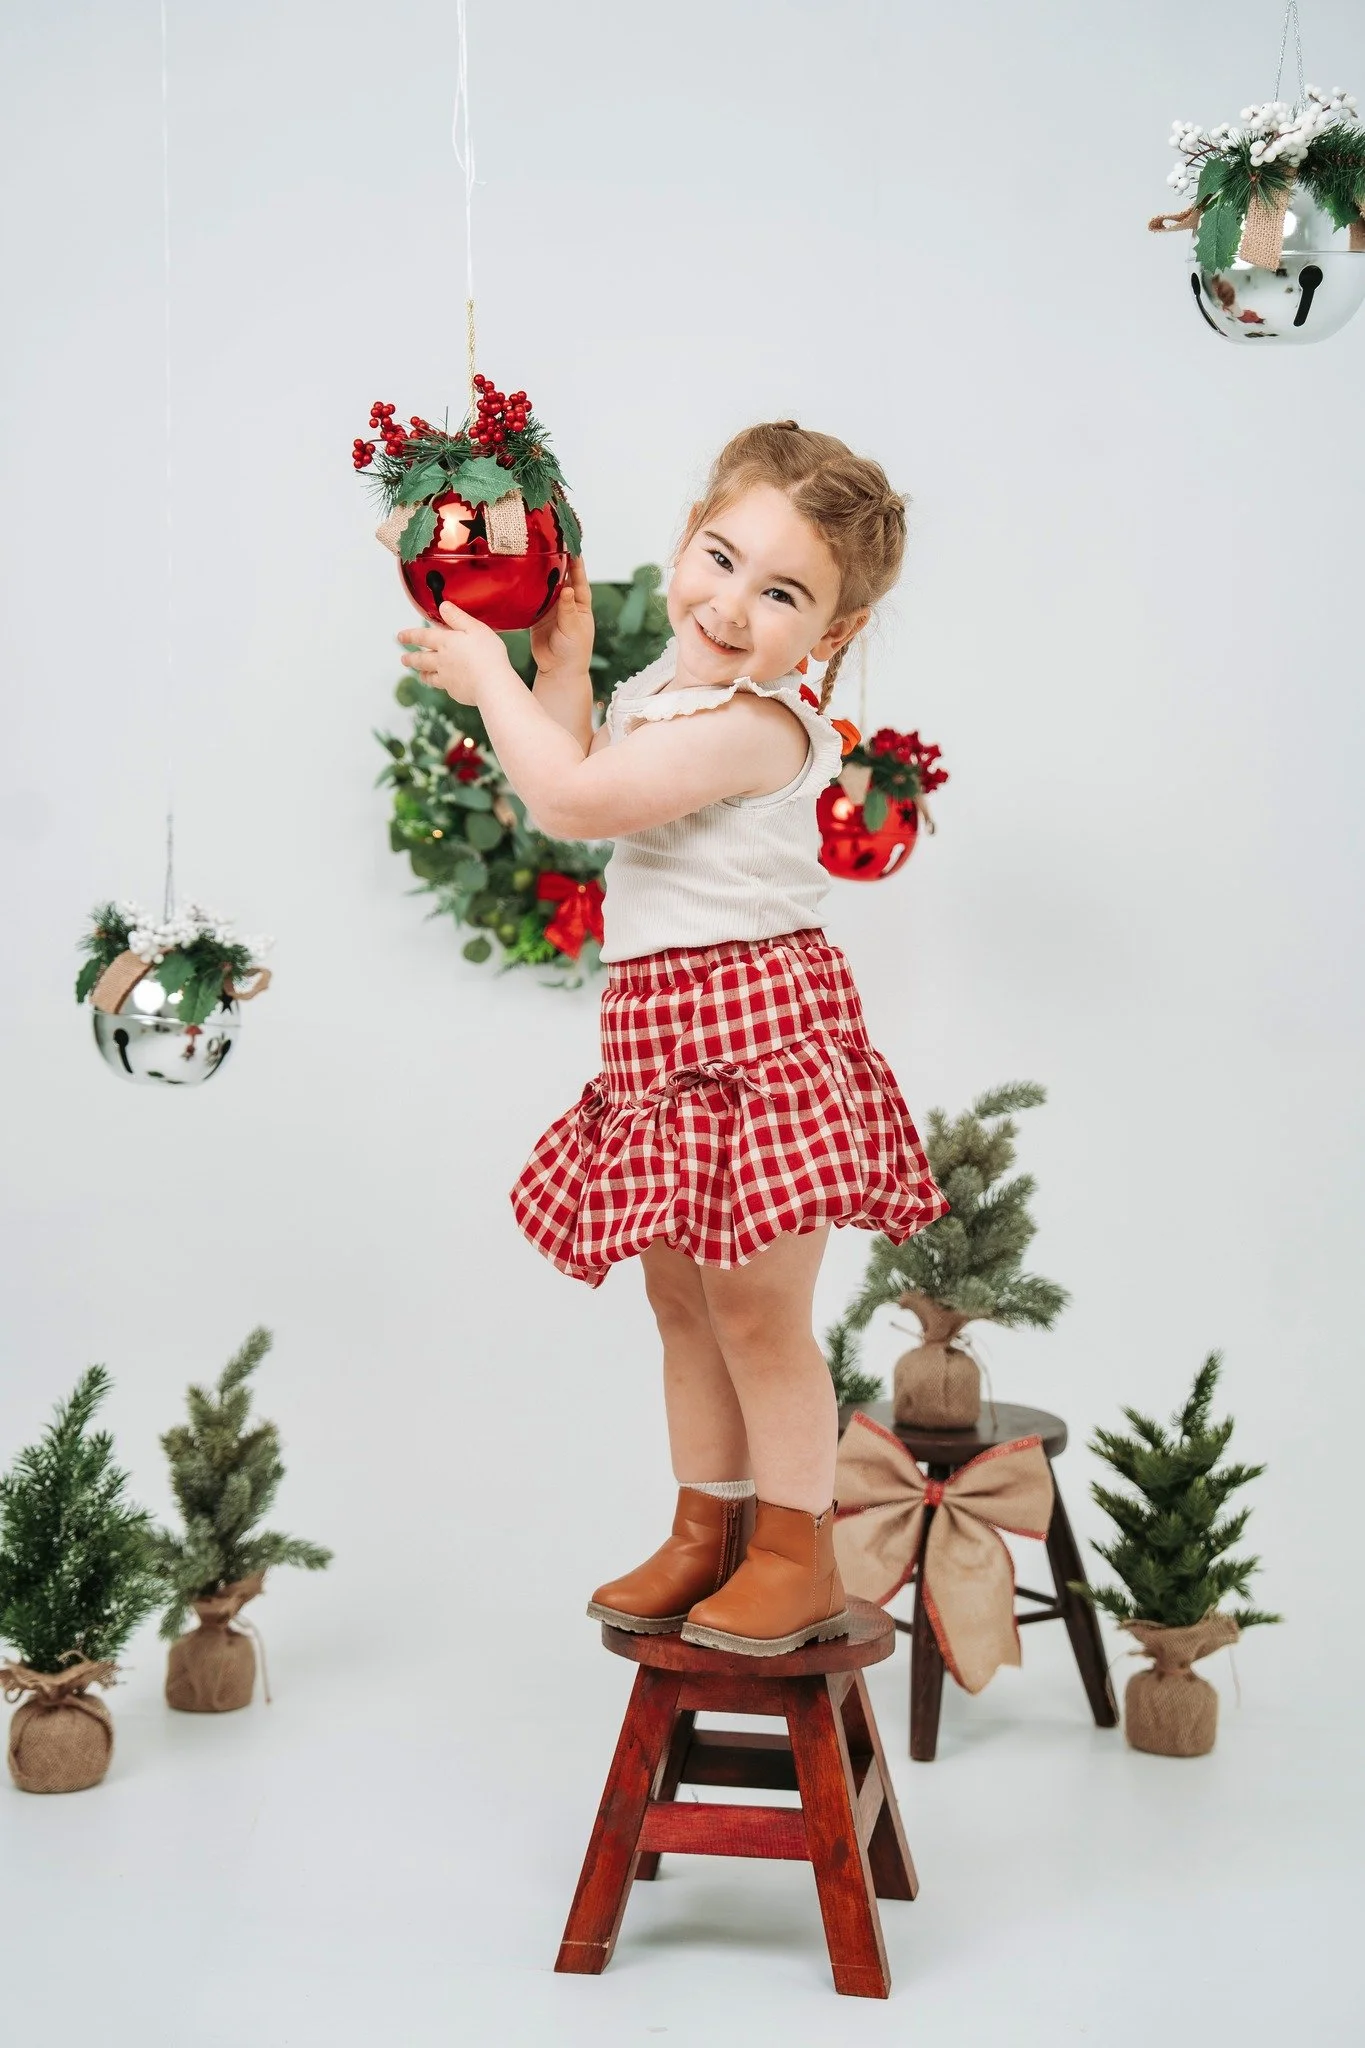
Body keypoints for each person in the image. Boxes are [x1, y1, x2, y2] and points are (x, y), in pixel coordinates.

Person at [396, 420, 946, 1655]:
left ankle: (798, 1548)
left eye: (785, 592)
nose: (734, 604)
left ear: (834, 633)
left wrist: (485, 673)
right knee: (683, 1301)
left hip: (759, 1041)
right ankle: (710, 1522)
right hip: (662, 1041)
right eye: (720, 556)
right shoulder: (670, 692)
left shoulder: (764, 726)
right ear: (687, 538)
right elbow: (584, 767)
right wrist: (564, 663)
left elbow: (573, 799)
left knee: (758, 1311)